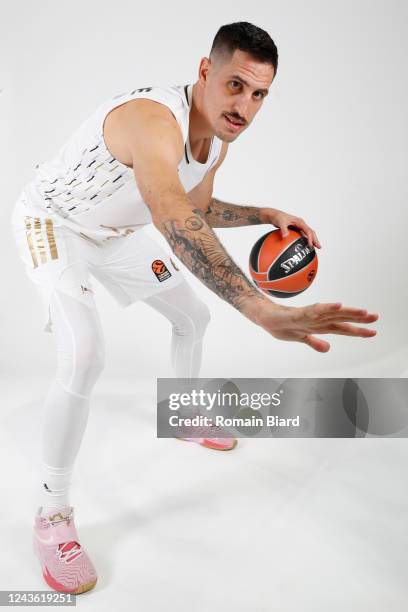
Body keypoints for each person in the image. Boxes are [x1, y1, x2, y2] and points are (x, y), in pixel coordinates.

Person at [11, 21, 378, 594]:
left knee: (193, 317)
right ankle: (50, 514)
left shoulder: (217, 142)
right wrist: (258, 308)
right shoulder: (152, 120)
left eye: (259, 94)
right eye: (235, 85)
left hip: (115, 235)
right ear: (205, 70)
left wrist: (262, 212)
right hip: (55, 226)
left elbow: (196, 207)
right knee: (84, 355)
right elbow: (167, 210)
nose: (245, 106)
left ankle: (180, 415)